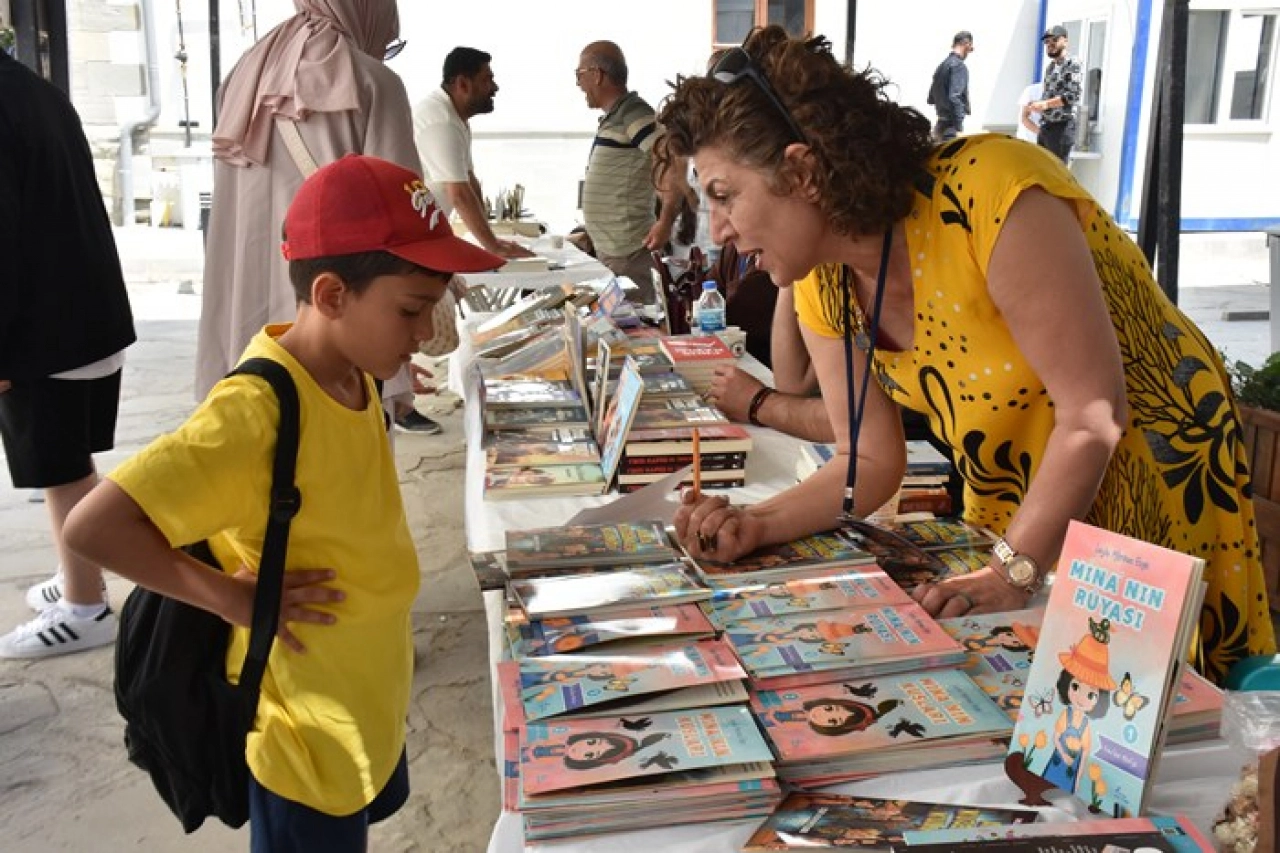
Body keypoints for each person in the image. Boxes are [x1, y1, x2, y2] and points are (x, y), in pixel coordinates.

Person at [655, 25, 1273, 684]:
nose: (717, 228)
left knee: (1147, 709)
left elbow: (1093, 415)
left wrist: (1011, 571)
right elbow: (870, 459)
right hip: (1026, 503)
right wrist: (757, 522)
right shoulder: (824, 280)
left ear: (802, 172)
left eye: (723, 194)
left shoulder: (987, 195)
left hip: (1156, 483)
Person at [63, 154, 503, 850]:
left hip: (364, 697)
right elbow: (94, 526)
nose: (424, 333)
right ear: (331, 294)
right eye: (410, 309)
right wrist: (229, 598)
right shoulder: (256, 412)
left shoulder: (355, 375)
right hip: (302, 731)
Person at [195, 0, 439, 434]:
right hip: (341, 312)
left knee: (262, 435)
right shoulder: (373, 81)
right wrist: (395, 353)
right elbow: (405, 229)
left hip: (248, 309)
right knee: (336, 445)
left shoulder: (244, 75)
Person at [0, 49, 136, 658]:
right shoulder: (35, 90)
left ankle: (85, 606)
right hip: (89, 309)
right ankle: (75, 572)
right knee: (70, 463)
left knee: (61, 470)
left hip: (41, 325)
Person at [575, 40, 681, 304]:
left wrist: (665, 221)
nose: (578, 83)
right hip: (614, 251)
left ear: (597, 75)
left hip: (628, 254)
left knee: (636, 325)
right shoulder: (618, 115)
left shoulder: (634, 113)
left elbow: (671, 161)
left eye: (580, 74)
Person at [414, 47, 533, 260]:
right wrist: (493, 248)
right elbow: (458, 194)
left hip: (429, 233)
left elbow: (469, 181)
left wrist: (491, 239)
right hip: (415, 238)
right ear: (463, 84)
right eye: (487, 80)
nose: (495, 87)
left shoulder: (454, 117)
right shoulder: (441, 121)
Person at [1032, 25, 1082, 163]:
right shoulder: (1050, 67)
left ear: (1065, 41)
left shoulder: (1072, 63)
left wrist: (1046, 104)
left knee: (1056, 170)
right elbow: (1048, 94)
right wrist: (1037, 105)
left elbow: (1073, 95)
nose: (1050, 44)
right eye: (1047, 42)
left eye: (1054, 40)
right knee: (1042, 169)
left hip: (1061, 127)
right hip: (1046, 126)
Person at [926, 30, 974, 142]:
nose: (971, 51)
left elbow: (930, 98)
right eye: (971, 48)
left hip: (940, 125)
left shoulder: (942, 66)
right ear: (966, 45)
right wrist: (959, 126)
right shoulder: (959, 66)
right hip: (951, 127)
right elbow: (955, 96)